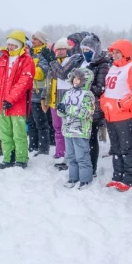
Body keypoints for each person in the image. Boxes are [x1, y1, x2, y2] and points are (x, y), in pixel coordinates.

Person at [0, 30, 34, 169]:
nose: (10, 47)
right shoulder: (2, 59)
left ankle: (21, 158)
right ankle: (8, 157)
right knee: (5, 133)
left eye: (13, 45)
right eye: (9, 45)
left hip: (17, 104)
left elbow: (25, 81)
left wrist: (11, 98)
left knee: (19, 133)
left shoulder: (26, 60)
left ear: (20, 45)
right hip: (1, 103)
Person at [100, 39, 132, 192]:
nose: (114, 55)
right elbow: (107, 90)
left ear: (125, 53)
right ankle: (117, 175)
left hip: (125, 116)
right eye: (113, 53)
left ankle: (129, 176)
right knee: (115, 148)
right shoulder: (112, 68)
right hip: (110, 115)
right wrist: (103, 103)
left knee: (127, 148)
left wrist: (121, 105)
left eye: (117, 52)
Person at [45, 37, 84, 169]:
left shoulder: (72, 60)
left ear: (67, 50)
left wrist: (52, 62)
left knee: (68, 128)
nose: (60, 52)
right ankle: (59, 153)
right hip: (55, 100)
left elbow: (63, 73)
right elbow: (49, 82)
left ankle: (70, 155)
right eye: (57, 49)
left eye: (62, 49)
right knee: (57, 128)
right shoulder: (54, 63)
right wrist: (46, 98)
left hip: (67, 101)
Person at [59, 68, 95, 189]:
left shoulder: (88, 95)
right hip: (68, 130)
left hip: (80, 130)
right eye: (74, 78)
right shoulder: (68, 93)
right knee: (71, 156)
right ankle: (73, 178)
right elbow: (62, 111)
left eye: (79, 78)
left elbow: (86, 112)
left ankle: (85, 180)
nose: (76, 81)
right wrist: (61, 110)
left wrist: (68, 109)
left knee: (82, 156)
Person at [81, 33, 111, 176]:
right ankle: (84, 166)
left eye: (88, 50)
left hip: (94, 108)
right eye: (84, 50)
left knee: (92, 139)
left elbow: (100, 88)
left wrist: (83, 86)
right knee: (83, 139)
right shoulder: (86, 64)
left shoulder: (102, 65)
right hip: (82, 108)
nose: (85, 53)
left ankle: (91, 168)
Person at [28, 31, 51, 156]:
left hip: (40, 94)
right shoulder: (32, 54)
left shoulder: (44, 54)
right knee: (31, 122)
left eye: (35, 40)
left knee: (41, 123)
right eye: (32, 40)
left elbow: (41, 73)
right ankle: (33, 145)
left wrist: (28, 69)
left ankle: (43, 149)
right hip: (30, 93)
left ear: (42, 41)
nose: (33, 42)